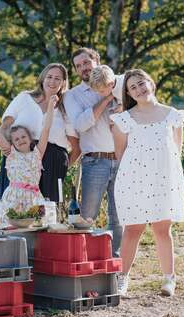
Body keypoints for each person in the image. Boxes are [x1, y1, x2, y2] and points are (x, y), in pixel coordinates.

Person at [110, 69, 184, 297]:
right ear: (129, 94)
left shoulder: (172, 114)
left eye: (141, 83)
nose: (139, 89)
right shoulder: (124, 119)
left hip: (164, 178)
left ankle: (169, 279)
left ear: (151, 83)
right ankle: (122, 278)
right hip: (134, 179)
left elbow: (176, 150)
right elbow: (120, 154)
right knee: (133, 229)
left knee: (163, 229)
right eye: (133, 87)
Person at [63, 47, 122, 257]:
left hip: (122, 160)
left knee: (119, 217)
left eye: (86, 63)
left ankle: (116, 268)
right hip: (95, 162)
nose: (83, 68)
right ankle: (84, 261)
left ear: (96, 61)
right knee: (87, 217)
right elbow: (80, 124)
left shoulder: (118, 83)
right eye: (78, 66)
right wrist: (106, 98)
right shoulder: (72, 96)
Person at [0, 63, 81, 202]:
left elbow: (76, 147)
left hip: (53, 162)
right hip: (20, 161)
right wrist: (7, 149)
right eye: (49, 77)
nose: (52, 81)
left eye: (57, 78)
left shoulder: (65, 107)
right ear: (42, 78)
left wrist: (61, 167)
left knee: (46, 212)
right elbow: (5, 126)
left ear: (63, 83)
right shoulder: (24, 98)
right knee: (15, 207)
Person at [0, 95, 58, 224]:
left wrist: (51, 107)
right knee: (11, 226)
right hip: (13, 198)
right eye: (16, 139)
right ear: (12, 143)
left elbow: (46, 129)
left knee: (35, 226)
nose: (21, 140)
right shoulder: (11, 154)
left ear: (30, 138)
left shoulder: (37, 153)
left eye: (23, 136)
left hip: (34, 199)